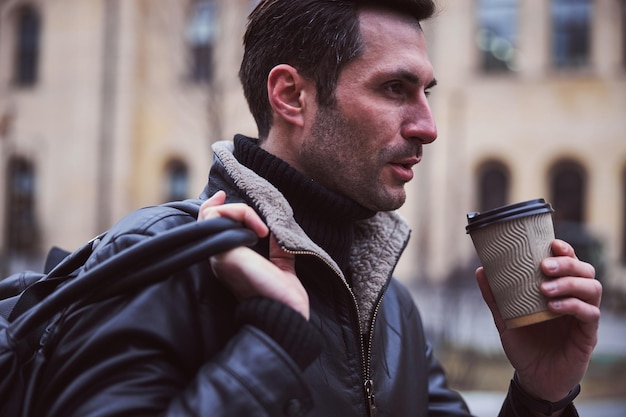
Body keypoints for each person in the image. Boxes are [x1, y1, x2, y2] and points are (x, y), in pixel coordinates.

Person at [32, 0, 602, 416]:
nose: (427, 126)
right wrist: (273, 337)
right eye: (394, 89)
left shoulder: (390, 307)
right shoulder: (157, 261)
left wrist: (540, 396)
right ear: (292, 96)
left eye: (426, 92)